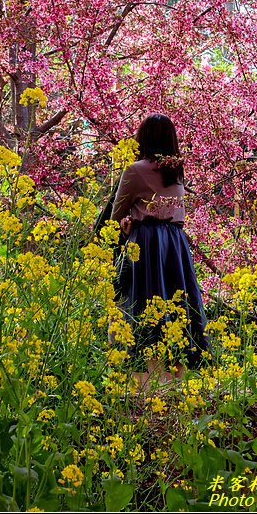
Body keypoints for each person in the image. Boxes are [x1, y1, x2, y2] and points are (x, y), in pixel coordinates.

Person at [111, 113, 210, 388]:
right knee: (179, 304)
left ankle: (147, 378)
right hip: (175, 244)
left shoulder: (135, 170)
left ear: (143, 138)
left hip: (147, 243)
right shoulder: (176, 170)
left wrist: (125, 224)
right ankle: (177, 376)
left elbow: (116, 214)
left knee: (142, 304)